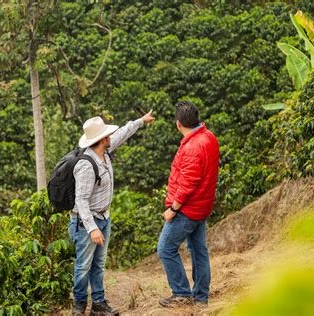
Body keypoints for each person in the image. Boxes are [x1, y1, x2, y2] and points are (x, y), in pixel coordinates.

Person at [69, 111, 155, 316]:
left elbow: (123, 133)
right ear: (102, 139)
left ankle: (98, 304)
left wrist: (140, 121)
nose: (111, 137)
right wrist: (92, 229)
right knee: (83, 266)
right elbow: (81, 201)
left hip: (103, 217)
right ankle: (79, 306)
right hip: (85, 223)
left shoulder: (104, 153)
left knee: (98, 264)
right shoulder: (86, 165)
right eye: (107, 135)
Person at [157, 101, 220, 308]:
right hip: (202, 205)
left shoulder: (192, 146)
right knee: (198, 249)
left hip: (188, 209)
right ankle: (201, 297)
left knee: (165, 248)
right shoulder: (209, 137)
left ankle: (181, 293)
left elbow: (188, 183)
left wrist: (173, 209)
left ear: (178, 124)